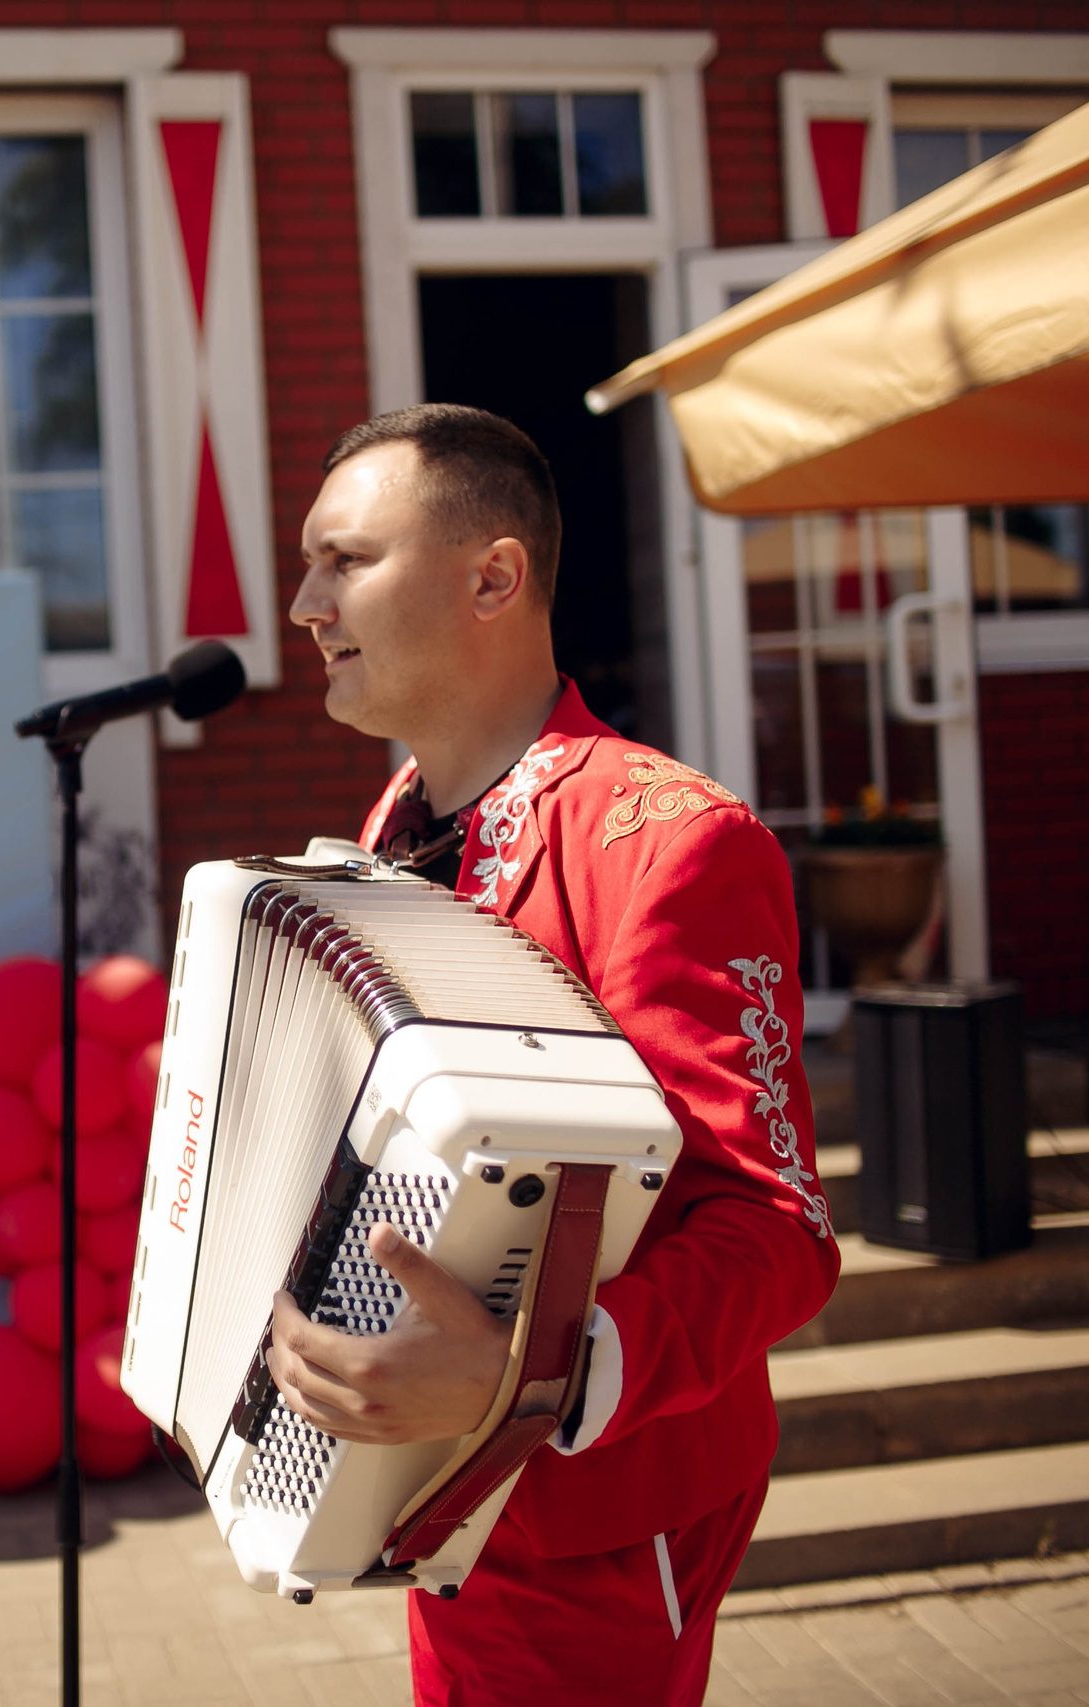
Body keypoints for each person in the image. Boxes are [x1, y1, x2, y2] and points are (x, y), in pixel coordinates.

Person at [268, 406, 843, 1705]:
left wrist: (541, 1372)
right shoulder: (392, 823)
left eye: (343, 560)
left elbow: (777, 1229)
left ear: (493, 576)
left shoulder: (675, 840)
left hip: (590, 1510)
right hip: (446, 1502)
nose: (304, 603)